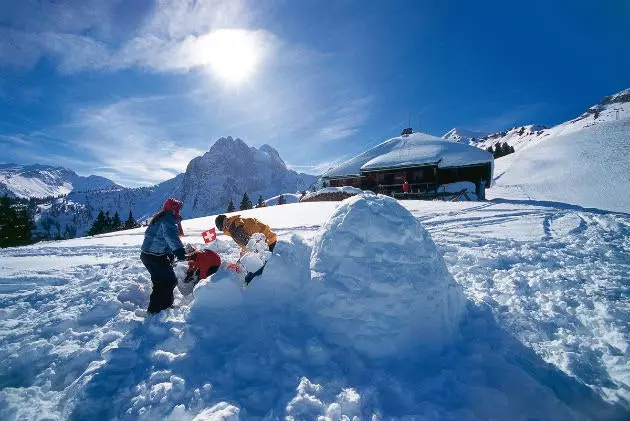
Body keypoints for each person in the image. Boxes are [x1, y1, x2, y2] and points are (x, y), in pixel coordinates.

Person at [140, 198, 187, 314]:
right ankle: (162, 308)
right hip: (154, 257)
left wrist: (170, 255)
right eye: (177, 208)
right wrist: (180, 252)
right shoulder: (167, 219)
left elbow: (162, 239)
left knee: (160, 282)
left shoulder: (162, 217)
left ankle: (154, 309)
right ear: (173, 209)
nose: (179, 211)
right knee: (170, 281)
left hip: (148, 255)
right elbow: (170, 237)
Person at [214, 214, 277, 284]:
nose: (222, 231)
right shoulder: (234, 223)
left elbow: (252, 247)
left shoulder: (235, 230)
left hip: (267, 243)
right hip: (269, 239)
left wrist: (242, 261)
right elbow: (248, 243)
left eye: (220, 229)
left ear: (222, 226)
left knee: (251, 278)